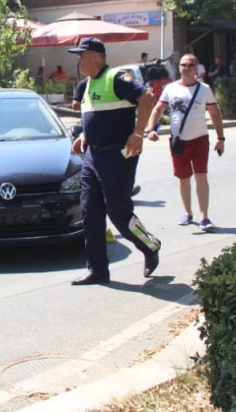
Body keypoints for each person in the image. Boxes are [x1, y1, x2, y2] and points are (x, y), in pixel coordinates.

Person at [68, 37, 160, 285]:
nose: (78, 60)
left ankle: (150, 245)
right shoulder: (88, 84)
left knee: (119, 213)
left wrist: (138, 134)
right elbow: (99, 116)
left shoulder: (117, 78)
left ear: (96, 56)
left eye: (81, 55)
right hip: (93, 156)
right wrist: (86, 135)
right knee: (90, 212)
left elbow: (146, 98)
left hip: (117, 155)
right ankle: (98, 269)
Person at [145, 54, 226, 232]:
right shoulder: (170, 88)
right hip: (178, 141)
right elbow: (158, 109)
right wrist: (151, 129)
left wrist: (221, 138)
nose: (186, 68)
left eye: (190, 65)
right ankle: (187, 212)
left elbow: (215, 114)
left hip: (200, 140)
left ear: (196, 68)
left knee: (201, 176)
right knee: (183, 178)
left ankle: (204, 216)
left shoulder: (204, 89)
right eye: (183, 65)